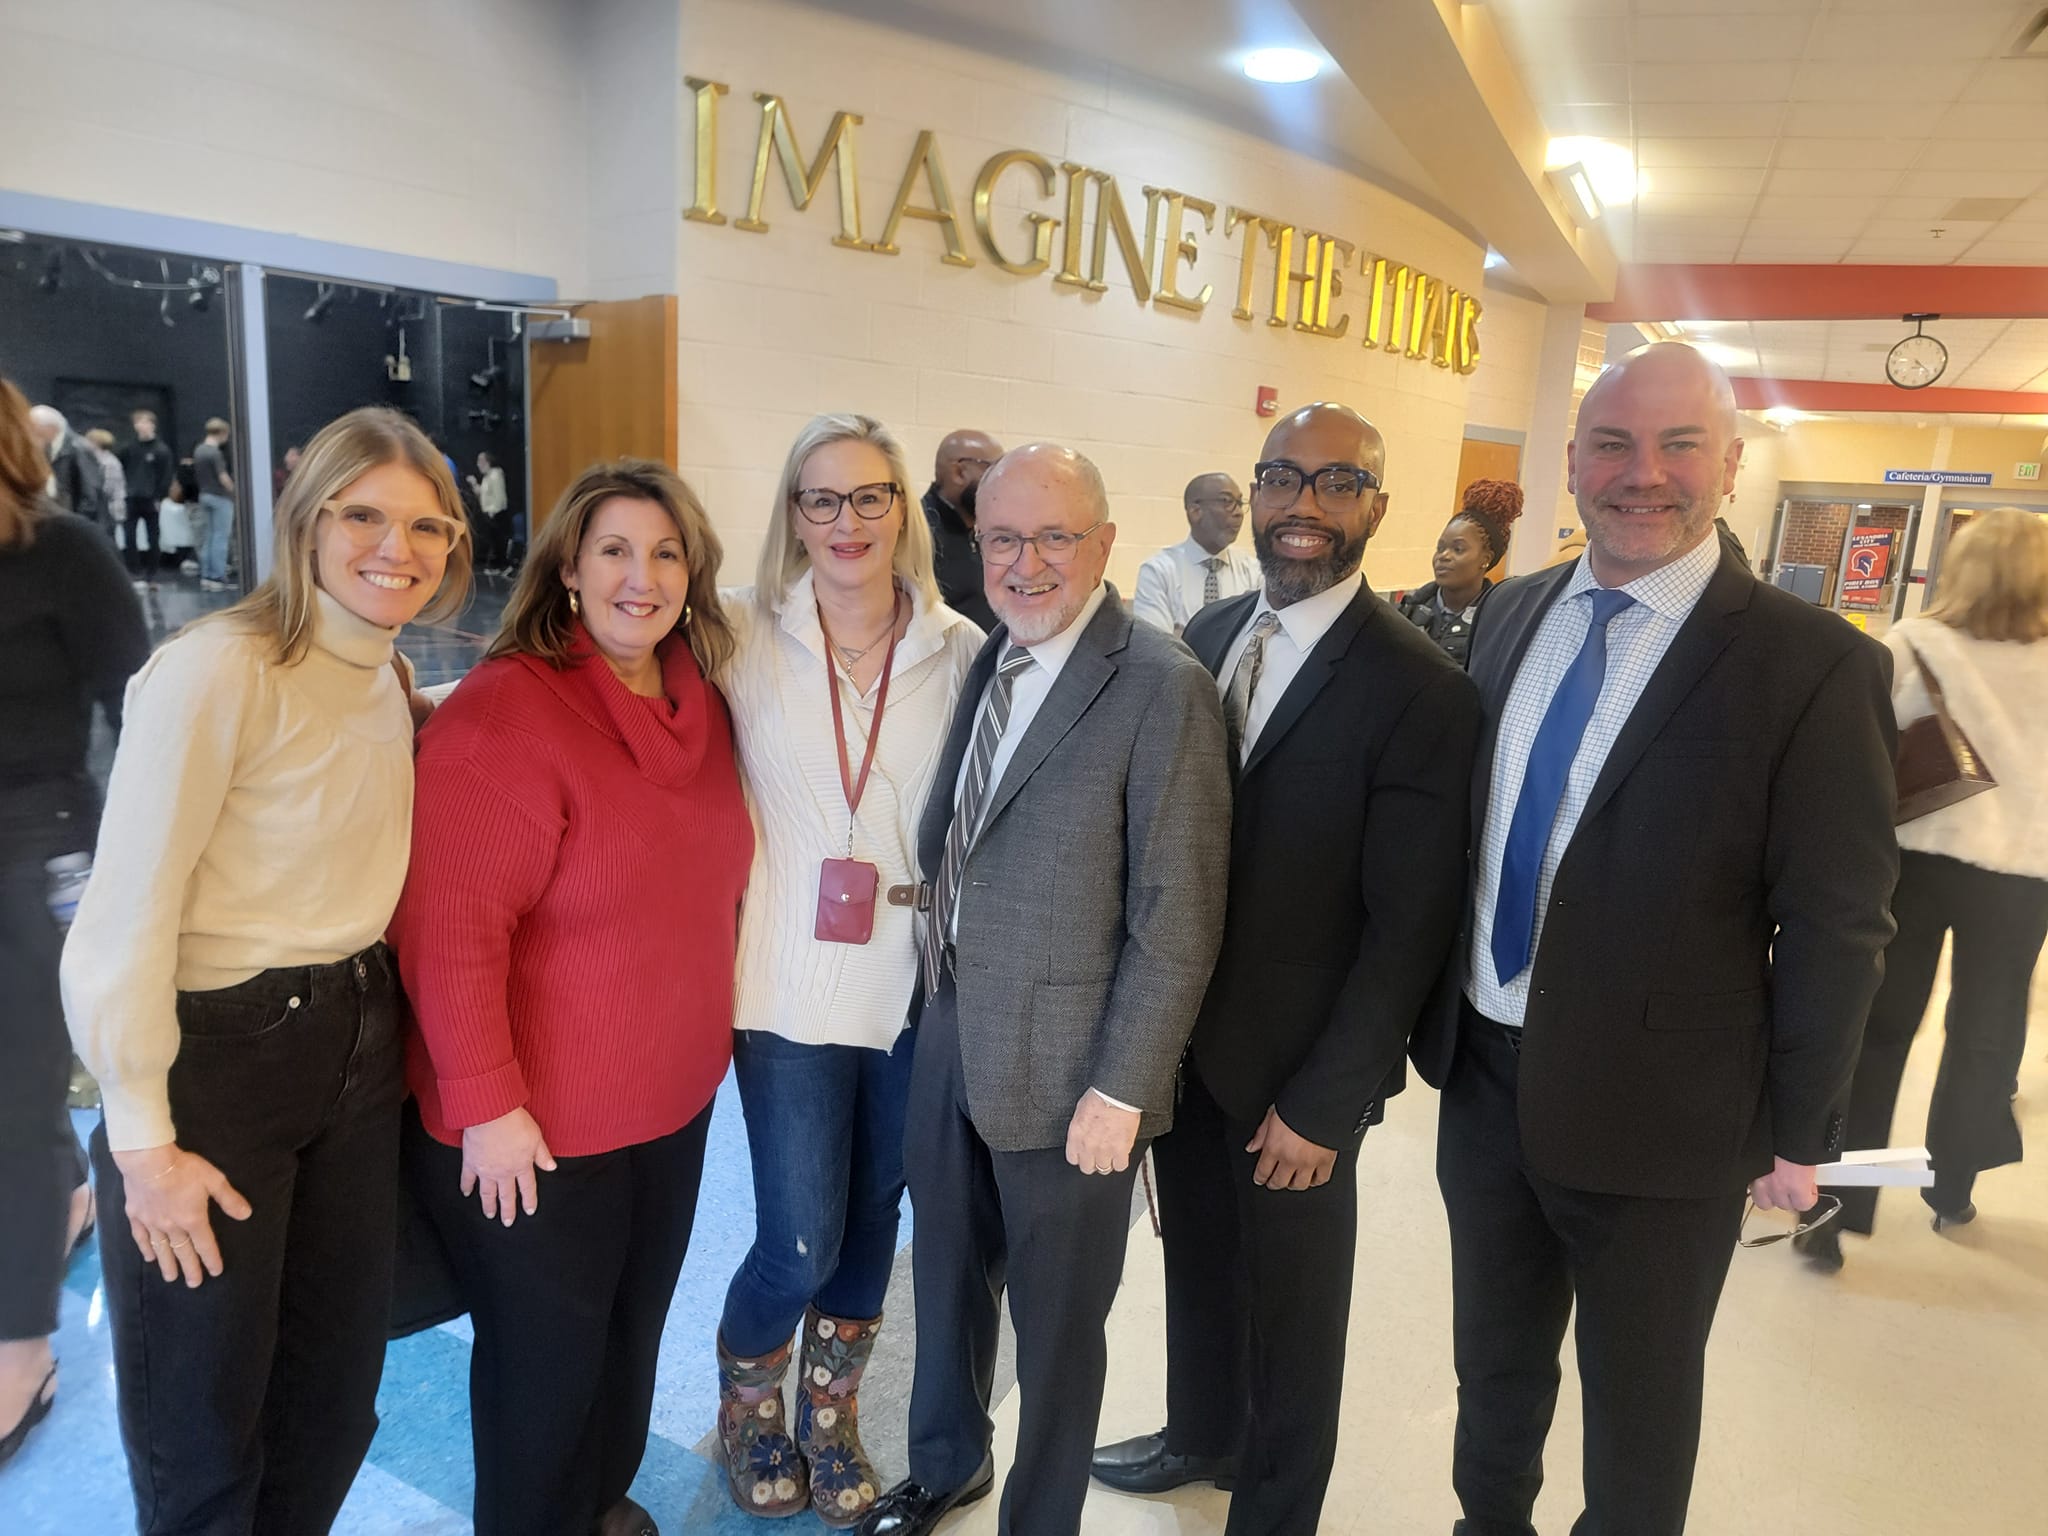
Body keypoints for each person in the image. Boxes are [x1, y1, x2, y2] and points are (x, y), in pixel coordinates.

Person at [1413, 343, 1898, 1536]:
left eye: (1678, 445)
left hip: (1668, 1122)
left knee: (1636, 1410)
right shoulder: (1513, 613)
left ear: (1728, 465)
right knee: (1494, 1373)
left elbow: (1836, 923)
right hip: (1483, 1083)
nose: (1643, 474)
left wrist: (1800, 1133)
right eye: (1612, 444)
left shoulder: (1812, 664)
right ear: (1571, 460)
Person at [60, 406, 472, 1535]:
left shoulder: (386, 676)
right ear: (305, 520)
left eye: (428, 525)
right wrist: (142, 1144)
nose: (400, 547)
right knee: (204, 1428)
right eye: (366, 516)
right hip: (219, 1068)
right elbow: (120, 918)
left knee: (332, 1403)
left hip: (354, 1040)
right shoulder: (216, 670)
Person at [1092, 406, 1480, 1534]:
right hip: (1184, 1050)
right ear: (1250, 495)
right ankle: (1197, 1435)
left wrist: (1326, 1101)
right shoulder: (1205, 639)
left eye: (1335, 482)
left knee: (1295, 1316)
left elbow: (1408, 925)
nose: (1301, 505)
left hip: (1300, 1078)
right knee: (1197, 1269)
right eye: (1280, 479)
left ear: (1373, 508)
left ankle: (1274, 1510)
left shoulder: (1419, 690)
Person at [858, 444, 1231, 1536]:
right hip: (952, 1030)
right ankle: (945, 1465)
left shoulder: (1161, 687)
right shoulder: (996, 656)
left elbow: (1179, 916)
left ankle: (1039, 1517)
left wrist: (1122, 1090)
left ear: (1105, 544)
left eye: (1053, 537)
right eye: (1003, 538)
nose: (1024, 563)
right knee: (945, 1280)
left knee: (1060, 1327)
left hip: (1075, 1076)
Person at [392, 460, 752, 1536]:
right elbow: (447, 934)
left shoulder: (700, 700)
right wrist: (485, 1107)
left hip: (673, 1103)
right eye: (612, 551)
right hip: (536, 1129)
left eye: (664, 552)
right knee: (543, 1369)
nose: (639, 578)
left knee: (630, 1335)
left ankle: (597, 1505)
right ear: (565, 571)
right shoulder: (508, 714)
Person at [713, 414, 982, 1526]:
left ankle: (828, 1420)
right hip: (780, 991)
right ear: (791, 516)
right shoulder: (735, 635)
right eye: (820, 500)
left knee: (875, 1217)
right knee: (797, 1234)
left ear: (903, 510)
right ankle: (748, 1412)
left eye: (870, 496)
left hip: (907, 989)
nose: (846, 521)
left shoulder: (960, 648)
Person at [1798, 508, 2048, 1268]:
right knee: (1987, 1032)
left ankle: (1838, 1209)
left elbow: (1862, 747)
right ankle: (1952, 1188)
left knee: (1876, 1034)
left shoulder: (1913, 642)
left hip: (1912, 860)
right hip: (2023, 874)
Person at [0, 377, 149, 1470]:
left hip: (37, 839)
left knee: (14, 1089)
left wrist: (114, 865)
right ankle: (59, 1201)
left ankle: (20, 1345)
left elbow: (135, 710)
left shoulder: (61, 554)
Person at [1394, 478, 1525, 667]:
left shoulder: (1501, 622)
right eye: (1440, 548)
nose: (1444, 556)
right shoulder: (1407, 612)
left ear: (1486, 558)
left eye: (1458, 549)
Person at [1130, 472, 1259, 635]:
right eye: (1227, 501)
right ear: (1195, 511)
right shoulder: (1158, 571)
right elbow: (1156, 647)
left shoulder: (1253, 572)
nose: (1238, 512)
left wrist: (1182, 635)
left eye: (1240, 503)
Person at [920, 428, 1002, 631]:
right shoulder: (918, 535)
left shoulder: (986, 529)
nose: (1001, 482)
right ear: (959, 472)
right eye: (993, 470)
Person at [28, 405, 109, 532]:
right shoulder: (48, 448)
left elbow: (90, 494)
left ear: (49, 428)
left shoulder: (80, 449)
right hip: (57, 521)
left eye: (33, 428)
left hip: (75, 526)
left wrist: (76, 527)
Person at [121, 411, 177, 586]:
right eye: (138, 422)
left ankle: (152, 572)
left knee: (153, 537)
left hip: (150, 499)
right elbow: (121, 469)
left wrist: (159, 496)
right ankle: (134, 571)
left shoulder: (161, 450)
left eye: (145, 422)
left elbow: (166, 475)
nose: (141, 426)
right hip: (131, 497)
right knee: (129, 536)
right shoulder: (129, 448)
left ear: (153, 425)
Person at [191, 417, 235, 591]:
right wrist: (235, 491)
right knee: (221, 537)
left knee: (209, 536)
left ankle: (206, 575)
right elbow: (223, 477)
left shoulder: (199, 450)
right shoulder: (215, 453)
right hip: (220, 497)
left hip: (204, 494)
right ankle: (218, 576)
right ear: (223, 433)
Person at [468, 451, 512, 573]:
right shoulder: (487, 477)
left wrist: (493, 512)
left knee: (498, 540)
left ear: (488, 462)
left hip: (496, 514)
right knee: (493, 540)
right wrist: (474, 483)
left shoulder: (496, 475)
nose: (478, 465)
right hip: (489, 514)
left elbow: (499, 497)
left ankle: (501, 565)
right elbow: (482, 494)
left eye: (480, 461)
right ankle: (496, 565)